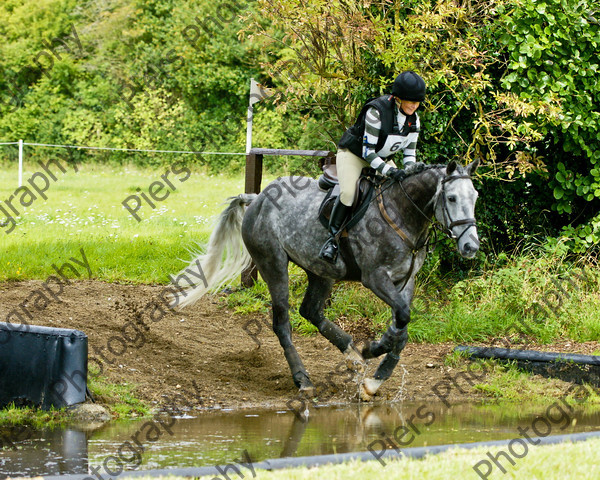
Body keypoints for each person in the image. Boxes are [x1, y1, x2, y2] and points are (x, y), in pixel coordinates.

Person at [319, 71, 426, 263]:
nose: (414, 105)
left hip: (382, 158)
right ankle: (332, 240)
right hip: (355, 155)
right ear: (398, 98)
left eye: (417, 102)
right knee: (349, 194)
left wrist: (410, 173)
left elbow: (410, 154)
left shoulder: (414, 120)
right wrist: (390, 171)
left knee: (401, 192)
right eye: (410, 101)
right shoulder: (376, 112)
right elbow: (368, 152)